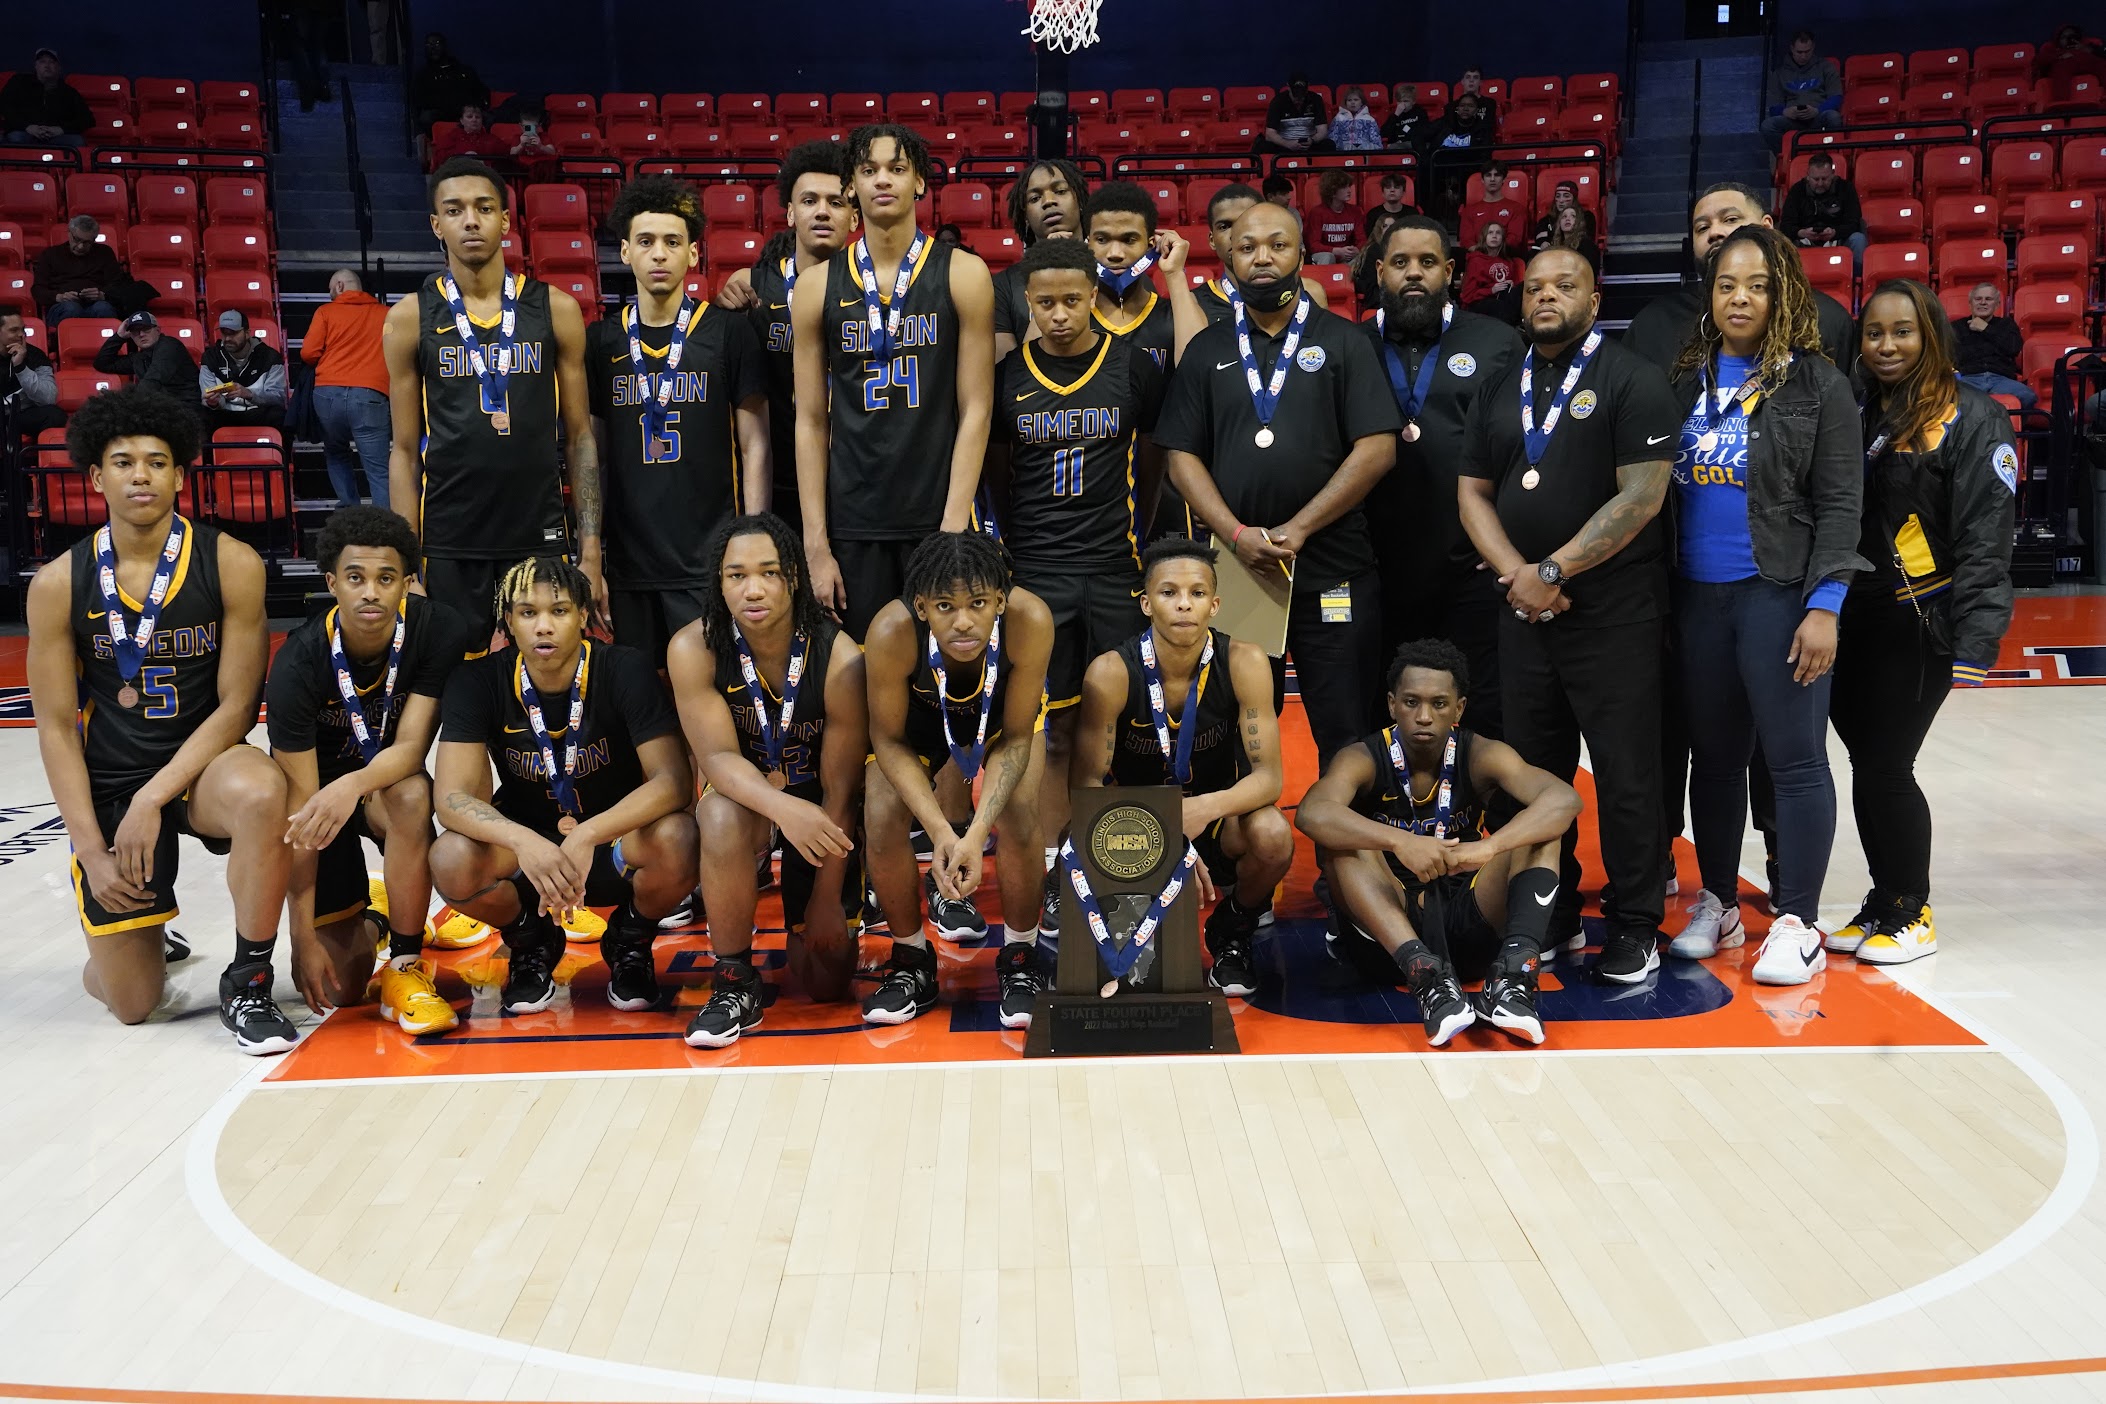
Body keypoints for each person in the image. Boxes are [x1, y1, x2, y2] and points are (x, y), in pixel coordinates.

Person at [24, 388, 294, 1051]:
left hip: (202, 769)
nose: (140, 475)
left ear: (180, 474)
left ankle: (250, 979)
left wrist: (158, 793)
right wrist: (90, 846)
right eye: (122, 462)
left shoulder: (228, 560)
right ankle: (140, 941)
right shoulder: (58, 583)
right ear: (94, 476)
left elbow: (236, 707)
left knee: (263, 791)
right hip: (114, 779)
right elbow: (58, 727)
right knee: (134, 1005)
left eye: (155, 461)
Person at [1457, 247, 1682, 982]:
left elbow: (1642, 498)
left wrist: (1554, 570)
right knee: (1532, 774)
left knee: (1626, 775)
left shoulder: (1632, 379)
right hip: (1522, 611)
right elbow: (1473, 493)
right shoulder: (1500, 381)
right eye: (1534, 287)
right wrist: (1517, 577)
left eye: (1565, 285)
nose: (1546, 296)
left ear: (1594, 296)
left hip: (1612, 611)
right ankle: (1548, 915)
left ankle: (1634, 921)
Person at [1660, 225, 1867, 983]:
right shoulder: (1685, 376)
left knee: (1795, 761)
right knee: (1713, 762)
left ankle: (1798, 922)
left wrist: (1827, 604)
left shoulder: (1817, 384)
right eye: (1726, 284)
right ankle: (1716, 902)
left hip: (1778, 596)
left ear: (1784, 294)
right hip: (1696, 598)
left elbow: (1843, 503)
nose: (1740, 297)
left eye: (1757, 284)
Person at [1156, 200, 1401, 765]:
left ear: (1301, 255)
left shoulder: (1345, 341)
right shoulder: (1208, 350)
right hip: (1240, 572)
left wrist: (1301, 526)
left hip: (1332, 565)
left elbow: (1377, 450)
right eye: (1246, 248)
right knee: (1237, 733)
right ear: (1225, 257)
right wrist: (1236, 532)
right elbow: (1181, 457)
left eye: (1277, 245)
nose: (1262, 258)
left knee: (1345, 728)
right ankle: (1242, 849)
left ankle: (1348, 852)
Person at [1825, 279, 2016, 968]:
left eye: (1902, 331)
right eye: (1874, 332)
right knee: (1866, 764)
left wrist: (1976, 639)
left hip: (1920, 621)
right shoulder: (1853, 406)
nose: (1886, 345)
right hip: (1851, 620)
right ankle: (1883, 900)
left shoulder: (1974, 418)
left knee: (1885, 765)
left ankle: (1913, 907)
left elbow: (1987, 541)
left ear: (1931, 333)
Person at [987, 235, 1166, 933]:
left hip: (1115, 569)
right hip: (1037, 577)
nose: (1059, 314)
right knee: (1054, 736)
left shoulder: (1132, 367)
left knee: (1126, 732)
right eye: (1044, 303)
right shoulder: (1009, 376)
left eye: (1071, 299)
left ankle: (1125, 869)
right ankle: (1061, 871)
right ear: (1027, 304)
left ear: (1094, 294)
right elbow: (999, 476)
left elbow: (1151, 466)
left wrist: (1134, 541)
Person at [432, 557, 700, 1014]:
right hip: (530, 856)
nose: (543, 627)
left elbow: (673, 783)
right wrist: (523, 840)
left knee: (682, 837)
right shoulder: (477, 680)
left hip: (614, 842)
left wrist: (588, 833)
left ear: (583, 616)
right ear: (508, 622)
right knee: (450, 857)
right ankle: (531, 941)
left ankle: (629, 940)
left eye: (558, 611)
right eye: (527, 612)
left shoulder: (625, 668)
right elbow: (451, 799)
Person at [1296, 640, 1580, 1045]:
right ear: (1392, 704)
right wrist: (1399, 842)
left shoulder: (1481, 752)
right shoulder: (1362, 756)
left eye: (1439, 704)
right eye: (1411, 702)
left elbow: (1564, 799)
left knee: (1540, 831)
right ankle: (1426, 978)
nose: (1424, 717)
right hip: (1389, 937)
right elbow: (1312, 813)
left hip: (1468, 922)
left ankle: (1512, 980)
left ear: (1459, 708)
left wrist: (1490, 846)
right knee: (1342, 839)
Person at [265, 507, 470, 1033]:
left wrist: (352, 785)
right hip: (315, 795)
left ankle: (404, 961)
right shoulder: (298, 664)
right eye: (355, 578)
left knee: (409, 794)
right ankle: (375, 909)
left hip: (379, 782)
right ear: (333, 583)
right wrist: (301, 938)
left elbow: (410, 747)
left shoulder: (438, 628)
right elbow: (300, 820)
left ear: (408, 582)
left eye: (385, 579)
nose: (371, 593)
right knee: (343, 989)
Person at [666, 514, 866, 1047]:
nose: (752, 589)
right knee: (718, 812)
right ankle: (733, 977)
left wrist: (826, 897)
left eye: (769, 573)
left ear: (794, 578)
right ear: (719, 582)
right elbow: (718, 762)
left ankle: (835, 911)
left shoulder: (840, 656)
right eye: (736, 576)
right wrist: (782, 810)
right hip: (752, 803)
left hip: (822, 814)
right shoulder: (695, 648)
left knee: (825, 985)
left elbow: (843, 792)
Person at [791, 124, 995, 640]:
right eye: (869, 170)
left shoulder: (964, 273)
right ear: (851, 185)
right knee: (859, 678)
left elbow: (976, 409)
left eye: (897, 169)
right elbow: (811, 420)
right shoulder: (816, 286)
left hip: (936, 514)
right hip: (853, 519)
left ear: (920, 182)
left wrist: (952, 532)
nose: (883, 181)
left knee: (940, 680)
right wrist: (816, 545)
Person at [386, 157, 599, 647]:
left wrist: (590, 551)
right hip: (449, 540)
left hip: (538, 534)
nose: (471, 220)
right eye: (455, 210)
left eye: (484, 208)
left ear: (506, 220)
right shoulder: (409, 318)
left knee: (541, 681)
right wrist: (406, 561)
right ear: (436, 224)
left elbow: (581, 437)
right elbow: (401, 450)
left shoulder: (556, 309)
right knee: (453, 688)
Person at [1072, 537, 1293, 996]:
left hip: (1214, 819)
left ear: (1214, 605)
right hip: (1133, 825)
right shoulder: (1111, 672)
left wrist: (1200, 811)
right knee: (1138, 978)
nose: (1183, 605)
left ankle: (1233, 930)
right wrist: (1162, 828)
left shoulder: (1246, 661)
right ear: (1146, 602)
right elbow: (1088, 785)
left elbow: (1269, 778)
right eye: (1169, 593)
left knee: (1273, 836)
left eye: (1196, 594)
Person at [860, 532, 1053, 1027]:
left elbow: (1014, 738)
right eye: (945, 605)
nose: (963, 621)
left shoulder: (1030, 621)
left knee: (1020, 814)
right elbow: (888, 741)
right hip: (919, 726)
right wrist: (944, 833)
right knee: (881, 812)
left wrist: (976, 832)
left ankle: (1020, 959)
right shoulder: (890, 631)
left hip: (1000, 724)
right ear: (922, 607)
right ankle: (911, 962)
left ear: (1001, 601)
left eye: (979, 604)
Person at [586, 175, 771, 665]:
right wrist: (595, 553)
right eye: (646, 242)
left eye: (673, 242)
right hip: (630, 562)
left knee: (715, 690)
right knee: (640, 702)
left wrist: (750, 540)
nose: (659, 254)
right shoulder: (601, 341)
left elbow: (754, 445)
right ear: (625, 252)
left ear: (693, 254)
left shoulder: (728, 333)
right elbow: (595, 456)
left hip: (707, 559)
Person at [1366, 215, 1526, 740]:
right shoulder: (1349, 345)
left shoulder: (1498, 342)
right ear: (1379, 271)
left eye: (1428, 262)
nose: (1414, 273)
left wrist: (1508, 536)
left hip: (1469, 563)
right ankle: (1386, 816)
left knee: (1484, 706)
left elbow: (1527, 446)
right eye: (1400, 262)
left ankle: (1483, 819)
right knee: (1379, 703)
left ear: (1450, 272)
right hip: (1374, 561)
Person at [715, 142, 858, 532]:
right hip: (777, 479)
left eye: (836, 202)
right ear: (791, 214)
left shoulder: (876, 292)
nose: (823, 211)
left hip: (856, 481)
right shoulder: (751, 287)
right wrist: (725, 313)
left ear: (854, 216)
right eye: (809, 200)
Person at [1622, 183, 1854, 374]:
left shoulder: (1824, 317)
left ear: (1767, 228)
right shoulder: (1654, 323)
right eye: (1702, 228)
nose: (1714, 233)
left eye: (1730, 219)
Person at [1165, 183, 1330, 357]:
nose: (1236, 234)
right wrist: (1174, 274)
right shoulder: (1194, 302)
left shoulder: (1311, 291)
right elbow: (1191, 369)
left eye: (1246, 220)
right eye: (1225, 226)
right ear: (1212, 240)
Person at [302, 268, 393, 508]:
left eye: (331, 289)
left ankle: (350, 511)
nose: (331, 294)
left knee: (336, 452)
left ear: (340, 286)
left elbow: (308, 353)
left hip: (327, 394)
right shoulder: (387, 314)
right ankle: (385, 529)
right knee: (379, 469)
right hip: (370, 394)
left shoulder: (325, 312)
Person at [992, 158, 1089, 359]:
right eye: (1035, 198)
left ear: (1079, 200)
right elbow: (1009, 373)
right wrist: (1052, 261)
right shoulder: (1003, 286)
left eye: (1060, 191)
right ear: (1025, 217)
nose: (1048, 201)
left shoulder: (1115, 273)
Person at [1081, 180, 1184, 367]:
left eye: (1129, 240)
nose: (1115, 254)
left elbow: (1199, 369)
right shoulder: (1072, 314)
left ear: (1151, 245)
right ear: (1088, 244)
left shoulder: (1174, 314)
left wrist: (1175, 273)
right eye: (1102, 240)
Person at [198, 310, 287, 432]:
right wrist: (214, 402)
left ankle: (280, 451)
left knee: (279, 416)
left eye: (233, 333)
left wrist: (250, 394)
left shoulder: (269, 357)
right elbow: (207, 396)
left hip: (257, 411)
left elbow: (278, 398)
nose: (228, 338)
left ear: (247, 333)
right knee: (202, 416)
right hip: (224, 412)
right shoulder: (210, 357)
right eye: (224, 333)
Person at [1952, 283, 2035, 409]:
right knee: (1947, 398)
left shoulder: (2006, 325)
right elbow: (1954, 356)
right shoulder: (1956, 327)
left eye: (1988, 299)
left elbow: (2013, 348)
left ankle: (2010, 428)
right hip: (1968, 379)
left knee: (2027, 396)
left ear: (1997, 304)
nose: (1983, 302)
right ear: (1970, 303)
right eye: (1978, 299)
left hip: (2000, 380)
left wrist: (1985, 329)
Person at [1779, 152, 1867, 270]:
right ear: (1808, 176)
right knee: (1780, 241)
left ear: (1832, 175)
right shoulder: (1797, 190)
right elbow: (1786, 224)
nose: (1820, 183)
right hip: (1803, 240)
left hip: (1838, 238)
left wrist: (1835, 233)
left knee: (1858, 239)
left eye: (1824, 179)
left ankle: (1856, 282)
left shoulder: (1846, 188)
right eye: (1816, 179)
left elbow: (1854, 222)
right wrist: (1801, 233)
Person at [34, 216, 124, 328]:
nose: (81, 246)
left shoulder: (105, 253)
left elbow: (117, 285)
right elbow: (38, 290)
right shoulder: (50, 255)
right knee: (72, 309)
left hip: (97, 304)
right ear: (69, 233)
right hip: (62, 305)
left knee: (103, 308)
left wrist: (102, 294)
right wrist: (59, 297)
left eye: (87, 242)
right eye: (76, 239)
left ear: (94, 239)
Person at [96, 312, 199, 408]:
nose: (141, 334)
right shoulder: (139, 357)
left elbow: (153, 381)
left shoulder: (170, 345)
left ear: (158, 330)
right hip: (164, 410)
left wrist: (122, 403)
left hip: (189, 409)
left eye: (146, 329)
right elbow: (102, 363)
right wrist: (119, 337)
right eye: (135, 331)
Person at [1762, 30, 1842, 152]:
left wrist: (1817, 110)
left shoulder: (1826, 67)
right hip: (1792, 119)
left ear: (1813, 47)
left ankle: (1831, 154)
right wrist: (1785, 112)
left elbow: (1836, 97)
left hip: (1818, 115)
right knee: (1768, 126)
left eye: (1807, 51)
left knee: (1833, 117)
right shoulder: (1779, 74)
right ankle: (1787, 159)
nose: (1803, 56)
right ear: (1792, 48)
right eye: (1799, 52)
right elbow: (1773, 107)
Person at [1420, 94, 1494, 217]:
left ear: (1476, 110)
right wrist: (1424, 154)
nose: (1466, 109)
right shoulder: (1445, 122)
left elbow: (1484, 153)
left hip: (1467, 166)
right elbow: (1419, 135)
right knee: (1424, 172)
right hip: (1440, 166)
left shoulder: (1482, 128)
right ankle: (1427, 216)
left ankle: (1468, 216)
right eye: (1462, 105)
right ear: (1457, 108)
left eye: (1470, 106)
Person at [1, 47, 92, 147]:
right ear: (36, 66)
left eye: (52, 62)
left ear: (59, 67)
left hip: (56, 136)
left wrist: (60, 129)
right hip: (25, 133)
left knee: (78, 141)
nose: (47, 65)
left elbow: (87, 119)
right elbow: (5, 106)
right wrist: (28, 127)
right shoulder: (18, 82)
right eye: (42, 62)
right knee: (16, 138)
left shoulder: (69, 92)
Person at [1, 307, 63, 441]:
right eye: (14, 330)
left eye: (22, 329)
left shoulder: (36, 356)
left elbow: (48, 398)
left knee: (54, 415)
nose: (21, 335)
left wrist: (21, 367)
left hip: (21, 415)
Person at [410, 32, 488, 139]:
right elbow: (419, 100)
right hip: (440, 112)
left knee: (487, 117)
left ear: (445, 46)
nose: (433, 48)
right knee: (426, 118)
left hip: (465, 111)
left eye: (437, 43)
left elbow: (480, 91)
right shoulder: (423, 74)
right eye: (429, 45)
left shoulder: (464, 70)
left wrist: (473, 107)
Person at [1460, 221, 1525, 321]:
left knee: (1523, 287)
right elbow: (1467, 296)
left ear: (1502, 238)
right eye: (1490, 233)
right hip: (1480, 302)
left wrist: (1510, 284)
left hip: (1503, 300)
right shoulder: (1476, 261)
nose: (1494, 236)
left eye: (1498, 233)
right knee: (1500, 307)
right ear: (1484, 237)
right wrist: (1491, 290)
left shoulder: (1508, 262)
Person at [2033, 24, 2106, 106]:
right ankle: (2061, 105)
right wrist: (2059, 56)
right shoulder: (2053, 50)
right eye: (2064, 37)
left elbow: (2102, 55)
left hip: (2089, 66)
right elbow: (2040, 60)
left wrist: (2089, 50)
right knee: (2061, 67)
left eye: (2071, 36)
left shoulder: (2088, 47)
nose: (2069, 40)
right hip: (2064, 70)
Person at [1259, 73, 1331, 154]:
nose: (1299, 99)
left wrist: (1312, 140)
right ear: (1288, 87)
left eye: (1302, 96)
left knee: (1328, 145)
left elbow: (1323, 131)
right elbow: (1269, 134)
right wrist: (1287, 144)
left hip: (1309, 143)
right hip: (1285, 144)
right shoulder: (1278, 101)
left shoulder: (1316, 99)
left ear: (1307, 88)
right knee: (1264, 147)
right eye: (1295, 96)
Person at [427, 102, 508, 169]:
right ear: (462, 120)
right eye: (469, 117)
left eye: (478, 117)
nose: (474, 119)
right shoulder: (452, 137)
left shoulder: (491, 139)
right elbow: (440, 158)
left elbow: (507, 152)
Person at [1308, 172, 1360, 265]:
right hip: (1325, 254)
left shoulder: (1355, 211)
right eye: (1344, 187)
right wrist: (1335, 251)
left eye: (1349, 186)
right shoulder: (1317, 212)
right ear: (1332, 192)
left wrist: (1356, 249)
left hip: (1347, 255)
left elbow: (1362, 240)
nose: (1349, 190)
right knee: (1328, 257)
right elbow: (1314, 245)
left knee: (1360, 258)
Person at [1543, 206, 1601, 275]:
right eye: (1564, 216)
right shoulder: (1555, 245)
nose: (1567, 219)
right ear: (1559, 223)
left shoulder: (1587, 245)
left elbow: (1588, 272)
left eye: (1573, 216)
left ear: (1579, 222)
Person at [1362, 172, 1418, 238]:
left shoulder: (1412, 213)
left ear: (1403, 192)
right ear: (1383, 193)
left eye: (1396, 187)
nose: (1392, 190)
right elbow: (1371, 239)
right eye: (1388, 187)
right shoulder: (1373, 214)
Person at [1529, 183, 1581, 250]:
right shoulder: (1546, 220)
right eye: (1558, 196)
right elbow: (1539, 237)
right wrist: (1543, 243)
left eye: (1566, 196)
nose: (1561, 200)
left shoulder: (1586, 217)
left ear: (1574, 199)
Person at [1331, 85, 1383, 152]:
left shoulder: (1369, 120)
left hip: (1365, 153)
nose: (1353, 102)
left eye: (1356, 100)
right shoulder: (1338, 119)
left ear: (1361, 102)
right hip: (1343, 154)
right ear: (1345, 102)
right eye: (1349, 100)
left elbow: (1377, 144)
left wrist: (1363, 147)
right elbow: (1332, 140)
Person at [1381, 83, 1427, 151]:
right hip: (1398, 145)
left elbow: (1424, 132)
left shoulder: (1420, 112)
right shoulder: (1394, 116)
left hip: (1414, 143)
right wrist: (1396, 115)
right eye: (1399, 101)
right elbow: (1384, 133)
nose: (1402, 104)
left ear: (1413, 101)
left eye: (1406, 101)